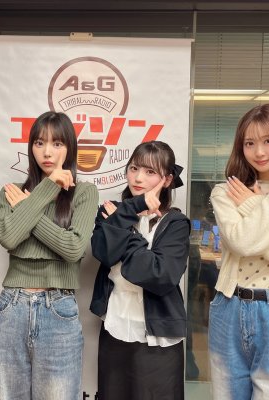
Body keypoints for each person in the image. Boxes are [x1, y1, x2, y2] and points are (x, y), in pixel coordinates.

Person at [0, 111, 98, 400]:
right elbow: (9, 237)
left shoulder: (84, 192)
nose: (47, 152)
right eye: (39, 143)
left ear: (70, 147)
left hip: (58, 309)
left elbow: (73, 249)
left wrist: (28, 210)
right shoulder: (11, 192)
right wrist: (46, 190)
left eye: (57, 143)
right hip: (11, 308)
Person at [90, 140, 190, 400]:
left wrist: (125, 233)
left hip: (158, 337)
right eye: (134, 168)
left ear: (167, 180)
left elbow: (158, 275)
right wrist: (130, 211)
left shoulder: (176, 223)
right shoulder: (111, 211)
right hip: (115, 328)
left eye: (150, 172)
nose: (138, 178)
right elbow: (103, 252)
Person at [209, 103, 269, 399]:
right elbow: (241, 242)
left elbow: (253, 239)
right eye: (249, 143)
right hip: (230, 306)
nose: (259, 152)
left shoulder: (246, 199)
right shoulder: (226, 192)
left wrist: (253, 205)